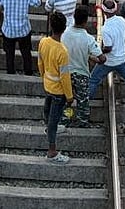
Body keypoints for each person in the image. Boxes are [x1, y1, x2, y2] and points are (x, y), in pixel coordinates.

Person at [86, 0, 125, 99]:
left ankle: (87, 99)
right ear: (116, 9)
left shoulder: (105, 29)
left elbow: (108, 48)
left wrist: (99, 52)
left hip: (109, 62)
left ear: (103, 11)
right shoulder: (122, 21)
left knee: (94, 80)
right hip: (122, 59)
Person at [38, 11, 74, 164]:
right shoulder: (62, 52)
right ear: (64, 28)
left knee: (47, 110)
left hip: (48, 85)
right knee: (54, 120)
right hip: (59, 91)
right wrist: (70, 96)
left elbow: (40, 63)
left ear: (51, 26)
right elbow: (65, 77)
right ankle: (52, 151)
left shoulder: (43, 42)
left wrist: (44, 78)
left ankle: (49, 128)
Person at [60, 5, 104, 127]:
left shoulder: (64, 33)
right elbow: (101, 58)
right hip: (81, 74)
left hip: (66, 73)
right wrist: (91, 57)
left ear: (74, 17)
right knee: (82, 101)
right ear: (86, 21)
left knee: (66, 100)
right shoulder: (88, 38)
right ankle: (82, 121)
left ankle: (65, 119)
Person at [0, 0, 42, 75]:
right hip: (23, 30)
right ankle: (28, 72)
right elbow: (38, 2)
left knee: (9, 54)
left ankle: (10, 71)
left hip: (8, 30)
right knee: (26, 53)